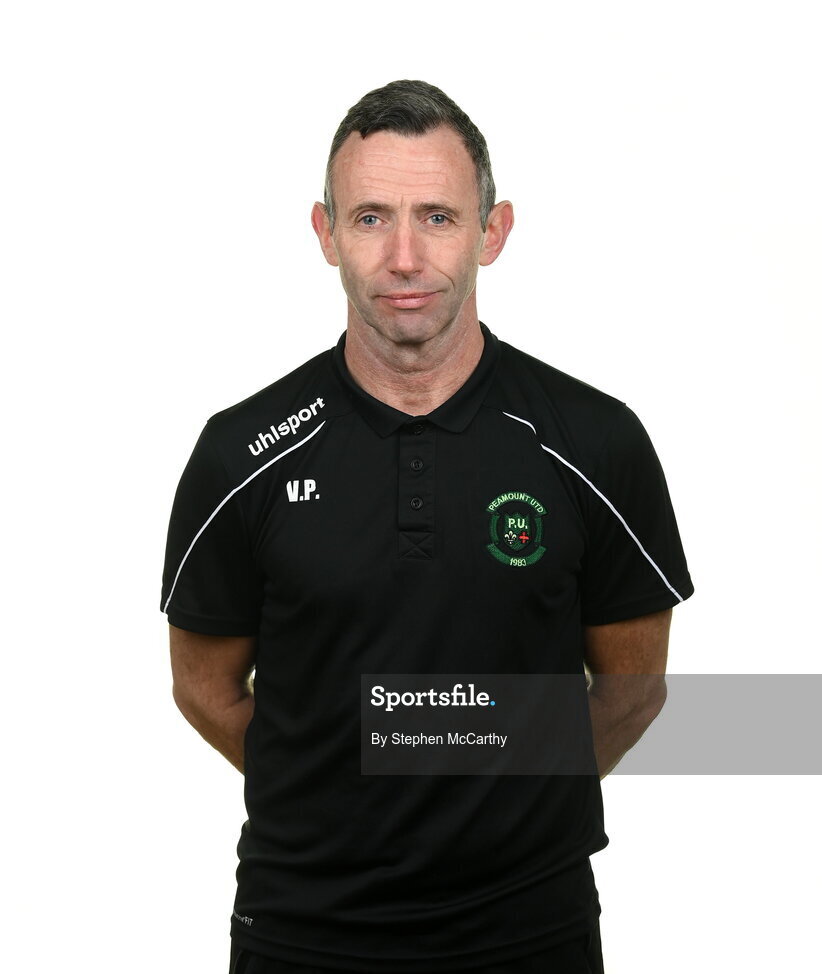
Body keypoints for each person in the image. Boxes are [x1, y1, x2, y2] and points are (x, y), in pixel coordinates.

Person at [161, 79, 694, 974]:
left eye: (438, 217)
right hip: (302, 936)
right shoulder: (239, 455)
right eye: (371, 218)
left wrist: (497, 796)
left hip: (532, 934)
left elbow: (633, 691)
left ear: (494, 230)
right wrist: (334, 789)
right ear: (326, 234)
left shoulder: (595, 443)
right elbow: (204, 689)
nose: (404, 256)